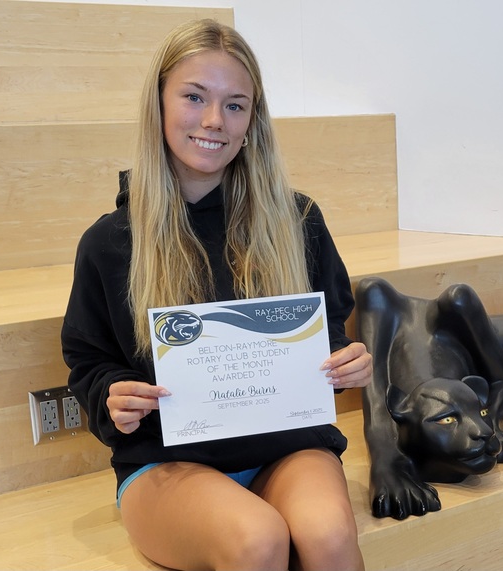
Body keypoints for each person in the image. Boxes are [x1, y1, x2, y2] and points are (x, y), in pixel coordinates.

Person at [61, 18, 371, 571]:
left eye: (235, 104)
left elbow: (329, 328)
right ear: (158, 104)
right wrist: (114, 396)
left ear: (253, 120)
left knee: (326, 538)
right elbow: (88, 360)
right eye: (194, 97)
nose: (213, 121)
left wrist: (345, 361)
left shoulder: (298, 221)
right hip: (166, 460)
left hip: (286, 444)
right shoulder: (110, 242)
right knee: (257, 540)